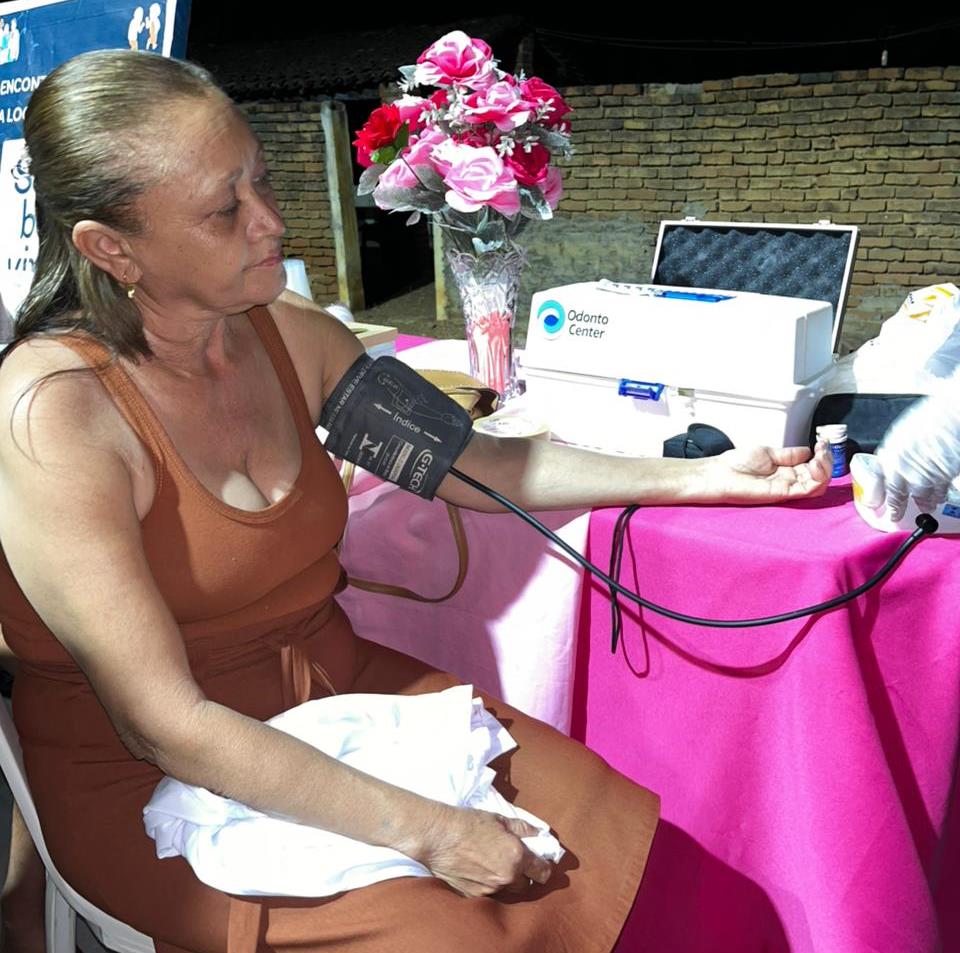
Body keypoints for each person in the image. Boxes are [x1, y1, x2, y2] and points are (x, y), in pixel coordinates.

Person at [0, 50, 832, 953]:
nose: (271, 221)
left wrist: (702, 478)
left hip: (342, 697)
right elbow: (164, 724)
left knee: (650, 864)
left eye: (261, 180)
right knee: (464, 935)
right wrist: (432, 830)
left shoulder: (289, 335)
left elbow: (476, 463)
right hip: (156, 773)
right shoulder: (55, 417)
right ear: (111, 248)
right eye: (223, 210)